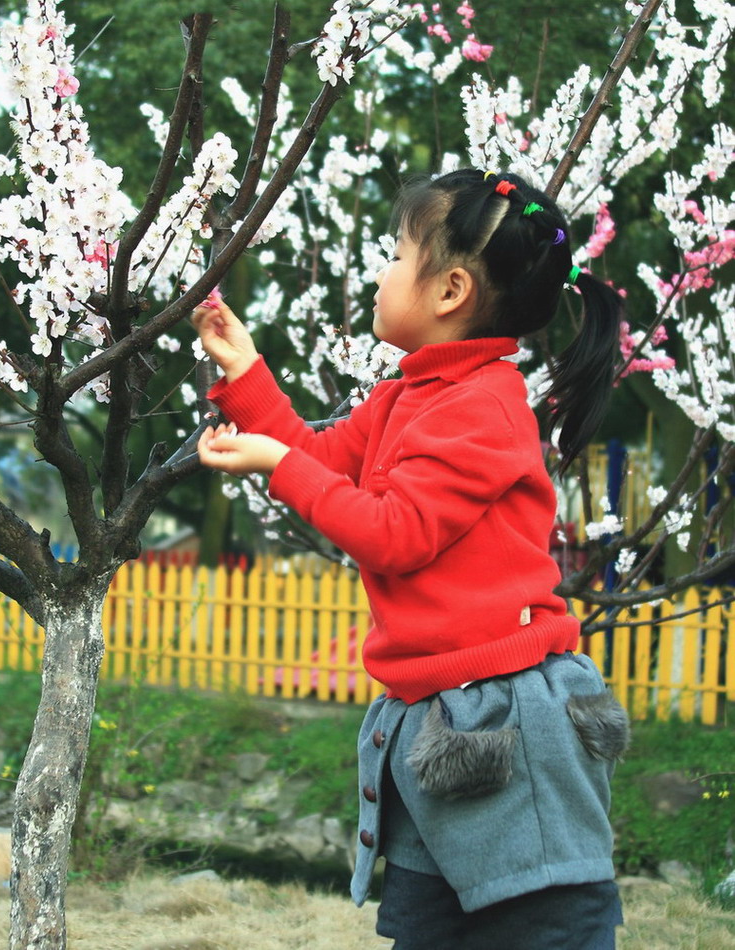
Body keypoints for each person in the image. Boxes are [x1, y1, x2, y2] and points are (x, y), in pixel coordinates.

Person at [192, 168, 630, 949]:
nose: (381, 270)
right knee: (432, 931)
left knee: (544, 921)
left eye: (396, 254)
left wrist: (275, 464)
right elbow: (323, 460)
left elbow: (396, 535)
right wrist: (249, 375)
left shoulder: (485, 407)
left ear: (451, 289)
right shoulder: (408, 396)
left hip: (510, 725)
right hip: (441, 718)